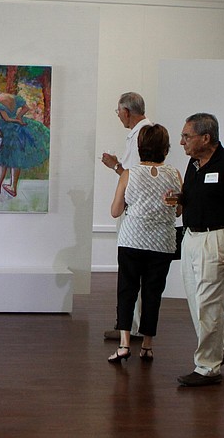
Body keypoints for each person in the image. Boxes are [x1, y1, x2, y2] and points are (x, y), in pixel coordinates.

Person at [174, 113, 224, 387]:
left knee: (209, 304)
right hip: (191, 238)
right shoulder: (194, 163)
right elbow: (189, 197)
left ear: (205, 138)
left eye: (187, 136)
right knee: (196, 302)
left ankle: (208, 367)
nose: (182, 142)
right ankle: (220, 349)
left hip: (218, 239)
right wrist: (177, 199)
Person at [107, 124, 181, 364]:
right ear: (165, 148)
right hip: (162, 242)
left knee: (127, 290)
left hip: (132, 240)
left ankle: (124, 344)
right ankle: (147, 345)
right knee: (153, 293)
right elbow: (178, 211)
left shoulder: (129, 174)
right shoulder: (174, 174)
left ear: (140, 146)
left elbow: (115, 211)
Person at [100, 92, 153, 341]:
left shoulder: (143, 134)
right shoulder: (140, 133)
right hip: (137, 212)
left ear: (127, 111)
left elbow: (134, 177)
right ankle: (131, 325)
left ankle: (131, 327)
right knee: (135, 273)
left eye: (118, 111)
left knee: (132, 272)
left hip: (135, 214)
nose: (118, 116)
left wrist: (114, 165)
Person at [0, 75, 50, 197]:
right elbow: (26, 108)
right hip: (18, 130)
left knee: (3, 159)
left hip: (7, 130)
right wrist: (19, 117)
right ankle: (13, 187)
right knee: (15, 158)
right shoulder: (12, 97)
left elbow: (6, 119)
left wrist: (16, 120)